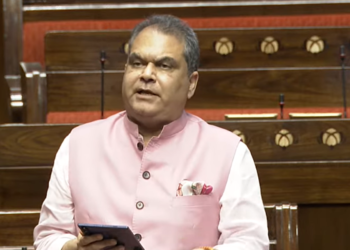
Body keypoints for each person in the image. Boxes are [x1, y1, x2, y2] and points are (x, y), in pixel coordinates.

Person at [33, 14, 269, 250]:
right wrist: (72, 248)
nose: (146, 74)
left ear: (191, 83)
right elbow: (47, 238)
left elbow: (250, 242)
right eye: (137, 63)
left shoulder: (228, 152)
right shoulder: (78, 145)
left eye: (164, 65)